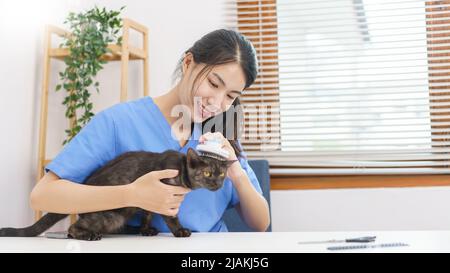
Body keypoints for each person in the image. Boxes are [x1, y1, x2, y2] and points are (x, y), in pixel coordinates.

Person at [31, 29, 270, 232]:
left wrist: (236, 171)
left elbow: (260, 223)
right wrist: (131, 194)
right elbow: (43, 195)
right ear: (188, 63)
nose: (217, 103)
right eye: (214, 84)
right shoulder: (120, 122)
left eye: (230, 96)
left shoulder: (220, 138)